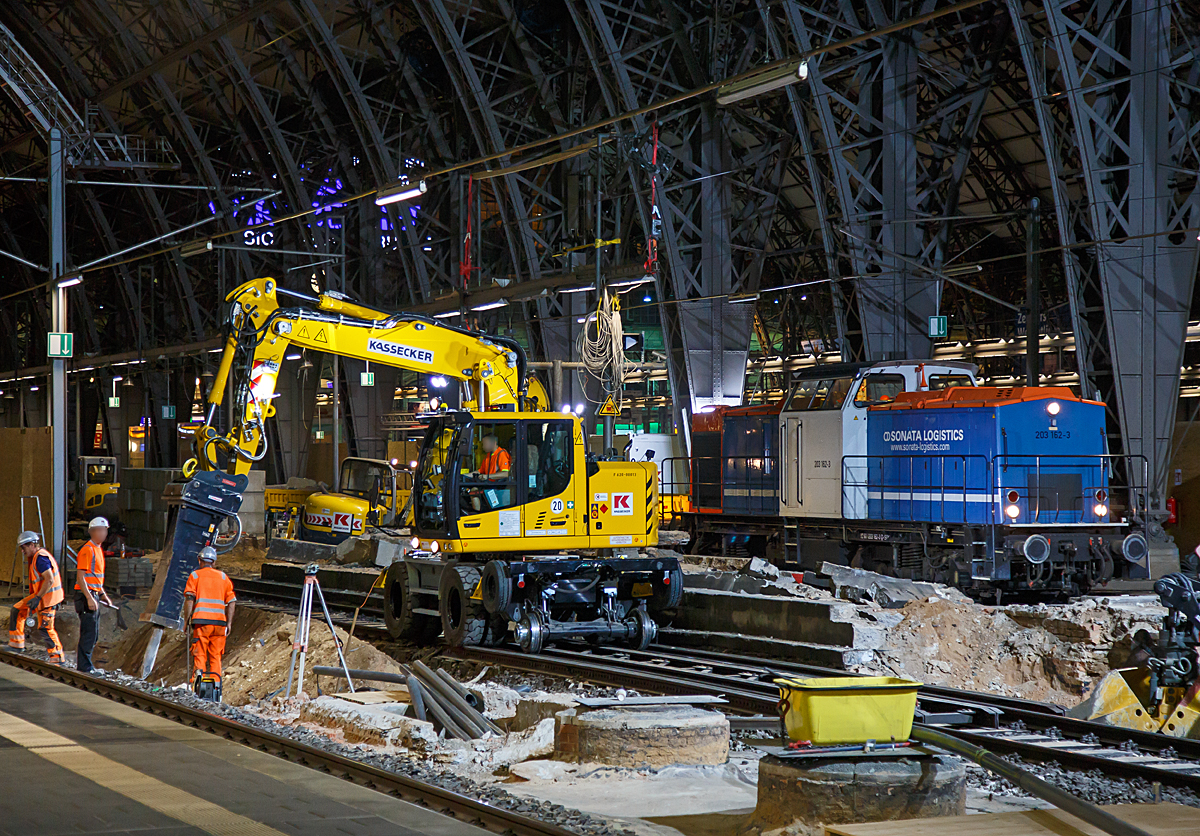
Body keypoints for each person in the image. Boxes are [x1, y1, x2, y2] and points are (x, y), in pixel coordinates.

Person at [182, 546, 236, 696]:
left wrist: (186, 621)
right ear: (214, 562)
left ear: (200, 560)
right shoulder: (224, 578)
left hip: (201, 623)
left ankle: (197, 690)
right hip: (219, 625)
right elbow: (232, 601)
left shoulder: (195, 576)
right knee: (216, 656)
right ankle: (216, 690)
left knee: (199, 654)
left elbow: (189, 600)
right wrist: (229, 622)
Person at [7, 531, 64, 663]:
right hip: (41, 597)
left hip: (49, 599)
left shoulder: (41, 558)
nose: (22, 551)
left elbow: (49, 580)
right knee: (17, 609)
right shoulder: (36, 557)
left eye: (24, 547)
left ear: (32, 545)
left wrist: (37, 597)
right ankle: (16, 644)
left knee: (46, 628)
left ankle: (57, 657)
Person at [75, 516, 114, 673]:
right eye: (101, 530)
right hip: (86, 596)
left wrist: (103, 594)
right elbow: (81, 576)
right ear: (93, 532)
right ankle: (84, 667)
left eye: (105, 530)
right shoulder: (87, 550)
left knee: (94, 633)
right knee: (89, 632)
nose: (104, 533)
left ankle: (86, 665)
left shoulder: (98, 550)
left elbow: (95, 578)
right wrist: (90, 598)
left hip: (93, 594)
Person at [469, 433, 512, 511]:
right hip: (489, 485)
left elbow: (506, 473)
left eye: (485, 444)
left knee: (474, 492)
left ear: (493, 443)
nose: (482, 447)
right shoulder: (488, 455)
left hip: (497, 487)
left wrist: (487, 476)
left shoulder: (501, 454)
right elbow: (479, 471)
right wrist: (464, 475)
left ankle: (478, 514)